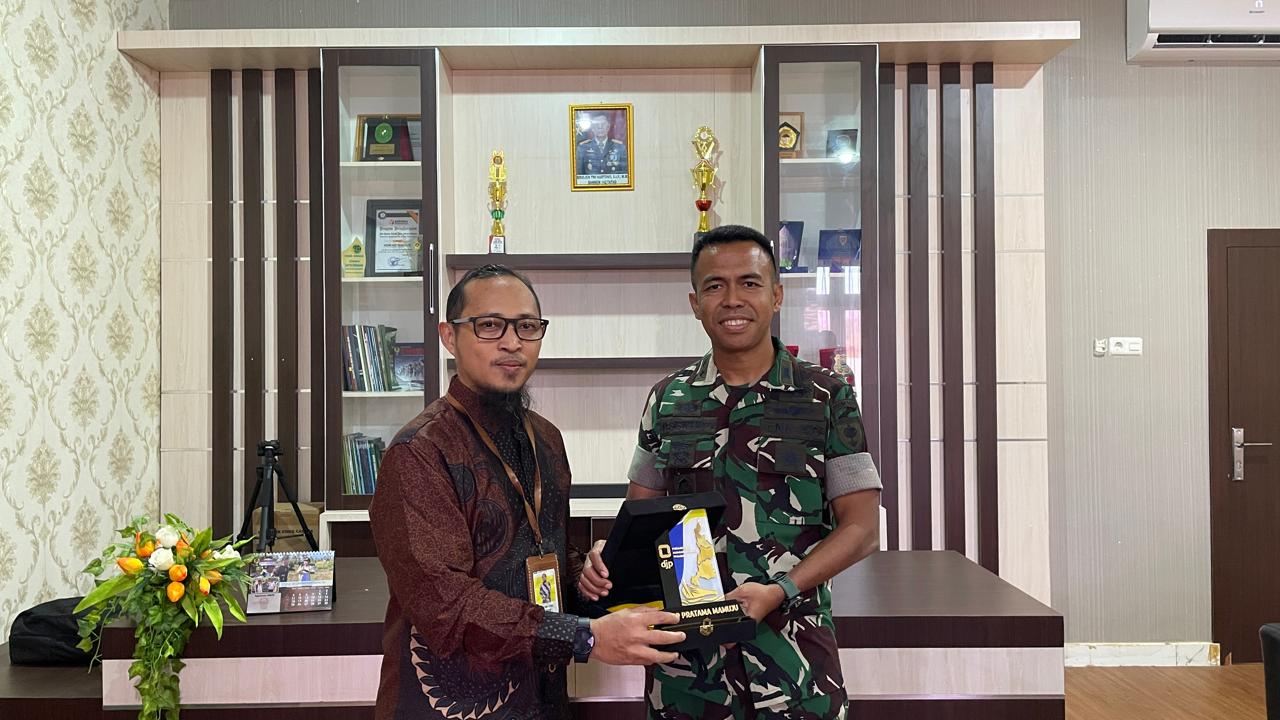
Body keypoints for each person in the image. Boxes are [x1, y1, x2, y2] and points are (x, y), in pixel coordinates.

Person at [579, 226, 882, 719]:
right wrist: (605, 557)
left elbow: (862, 528)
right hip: (686, 677)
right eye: (715, 286)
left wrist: (779, 590)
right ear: (695, 303)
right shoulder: (668, 398)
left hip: (796, 668)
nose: (732, 299)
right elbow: (640, 517)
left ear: (776, 295)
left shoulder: (828, 396)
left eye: (750, 283)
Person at [370, 264, 685, 720]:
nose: (512, 342)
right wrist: (585, 637)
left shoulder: (546, 439)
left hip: (543, 700)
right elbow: (446, 605)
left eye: (527, 326)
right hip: (448, 706)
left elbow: (541, 556)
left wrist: (587, 573)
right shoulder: (420, 451)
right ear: (449, 336)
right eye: (489, 325)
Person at [576, 112, 628, 177]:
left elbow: (625, 175)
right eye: (596, 124)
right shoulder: (582, 148)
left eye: (603, 124)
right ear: (592, 128)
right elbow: (579, 175)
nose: (600, 127)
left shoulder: (620, 148)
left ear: (608, 127)